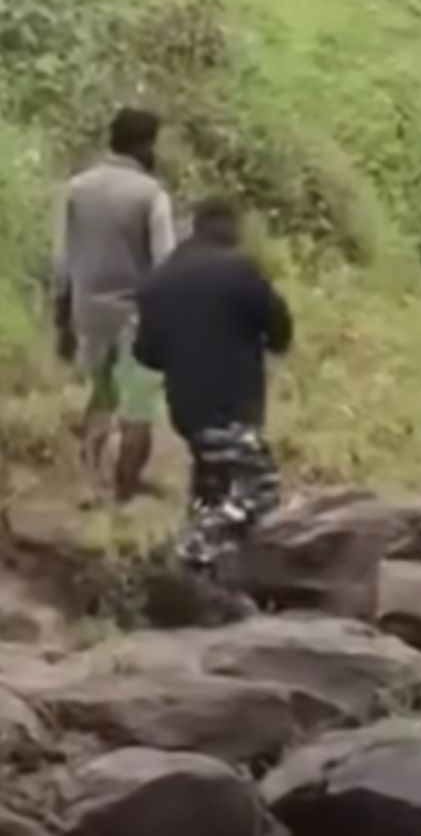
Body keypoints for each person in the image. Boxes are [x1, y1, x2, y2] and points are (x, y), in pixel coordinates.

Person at [133, 197, 292, 581]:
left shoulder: (158, 280)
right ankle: (188, 554)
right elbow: (280, 329)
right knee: (258, 491)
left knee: (212, 490)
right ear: (229, 230)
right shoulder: (237, 271)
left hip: (186, 406)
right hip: (233, 404)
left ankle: (204, 584)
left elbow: (146, 353)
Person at [52, 107, 176, 501]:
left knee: (101, 396)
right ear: (145, 146)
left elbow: (62, 261)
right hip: (138, 316)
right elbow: (165, 266)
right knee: (138, 407)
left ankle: (92, 483)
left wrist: (62, 320)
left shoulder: (76, 188)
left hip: (87, 311)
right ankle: (124, 491)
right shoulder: (151, 195)